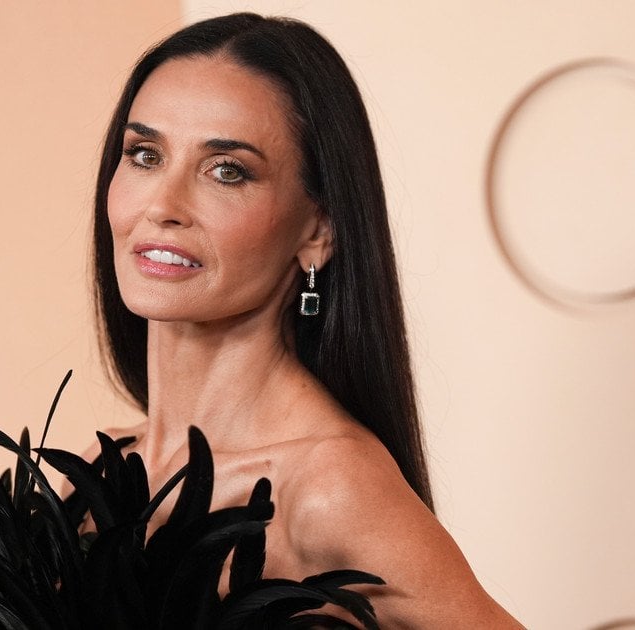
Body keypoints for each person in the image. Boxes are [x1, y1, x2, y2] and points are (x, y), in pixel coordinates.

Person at [89, 12, 522, 628]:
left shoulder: (328, 488)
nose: (162, 205)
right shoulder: (94, 475)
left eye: (227, 170)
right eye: (144, 155)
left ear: (318, 229)